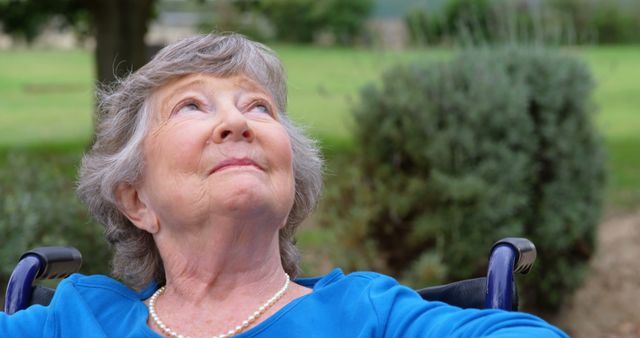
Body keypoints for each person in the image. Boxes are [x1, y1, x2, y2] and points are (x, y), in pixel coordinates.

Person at [0, 33, 568, 338]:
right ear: (136, 199)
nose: (237, 122)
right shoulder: (73, 321)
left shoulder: (367, 314)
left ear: (290, 178)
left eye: (259, 107)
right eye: (192, 105)